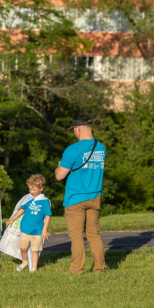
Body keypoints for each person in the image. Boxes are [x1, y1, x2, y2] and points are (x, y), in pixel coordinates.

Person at [55, 115, 107, 274]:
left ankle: (77, 270)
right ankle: (100, 268)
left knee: (77, 237)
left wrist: (59, 166)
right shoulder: (101, 148)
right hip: (94, 197)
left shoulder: (73, 149)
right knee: (94, 235)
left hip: (75, 198)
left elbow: (59, 176)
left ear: (77, 128)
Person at [6, 174, 52, 272]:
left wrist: (45, 229)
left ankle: (34, 269)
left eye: (34, 189)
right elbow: (22, 209)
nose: (31, 192)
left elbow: (48, 216)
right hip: (25, 229)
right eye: (30, 189)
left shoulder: (45, 201)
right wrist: (12, 219)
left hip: (38, 231)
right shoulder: (29, 199)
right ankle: (24, 262)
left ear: (41, 188)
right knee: (23, 249)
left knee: (35, 251)